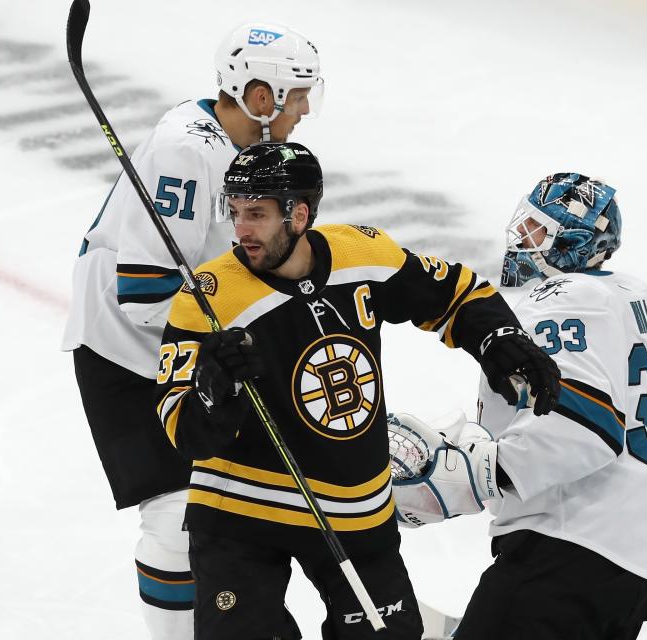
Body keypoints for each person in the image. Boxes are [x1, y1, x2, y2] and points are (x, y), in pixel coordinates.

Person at [154, 142, 562, 639]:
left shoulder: (361, 255)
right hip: (240, 510)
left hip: (353, 507)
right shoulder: (208, 297)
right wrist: (215, 391)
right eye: (235, 212)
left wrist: (497, 333)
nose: (240, 229)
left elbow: (454, 290)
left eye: (256, 214)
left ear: (299, 214)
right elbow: (182, 430)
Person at [61, 23, 323, 640]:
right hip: (129, 355)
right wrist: (232, 340)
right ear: (261, 98)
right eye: (298, 94)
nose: (306, 108)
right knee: (178, 519)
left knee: (248, 502)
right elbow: (147, 292)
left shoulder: (235, 144)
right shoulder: (188, 149)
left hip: (189, 348)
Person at [390, 173, 647, 639]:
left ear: (570, 242)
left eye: (537, 230)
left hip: (575, 545)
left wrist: (483, 472)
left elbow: (587, 429)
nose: (521, 239)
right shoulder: (633, 295)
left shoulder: (559, 300)